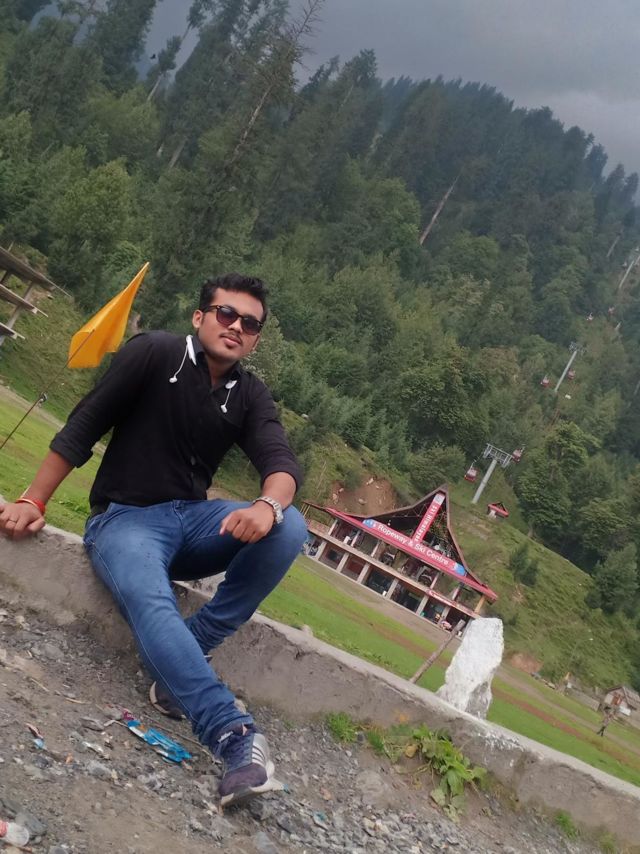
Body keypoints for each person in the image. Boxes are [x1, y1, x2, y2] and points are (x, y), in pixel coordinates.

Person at [0, 273, 307, 806]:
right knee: (150, 597)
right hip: (125, 521)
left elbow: (281, 464)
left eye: (249, 323)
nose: (236, 326)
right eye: (226, 313)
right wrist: (34, 500)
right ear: (200, 316)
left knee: (290, 525)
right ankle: (232, 734)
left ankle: (190, 649)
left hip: (193, 524)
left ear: (256, 339)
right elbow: (84, 425)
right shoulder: (155, 352)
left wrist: (267, 505)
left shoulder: (249, 394)